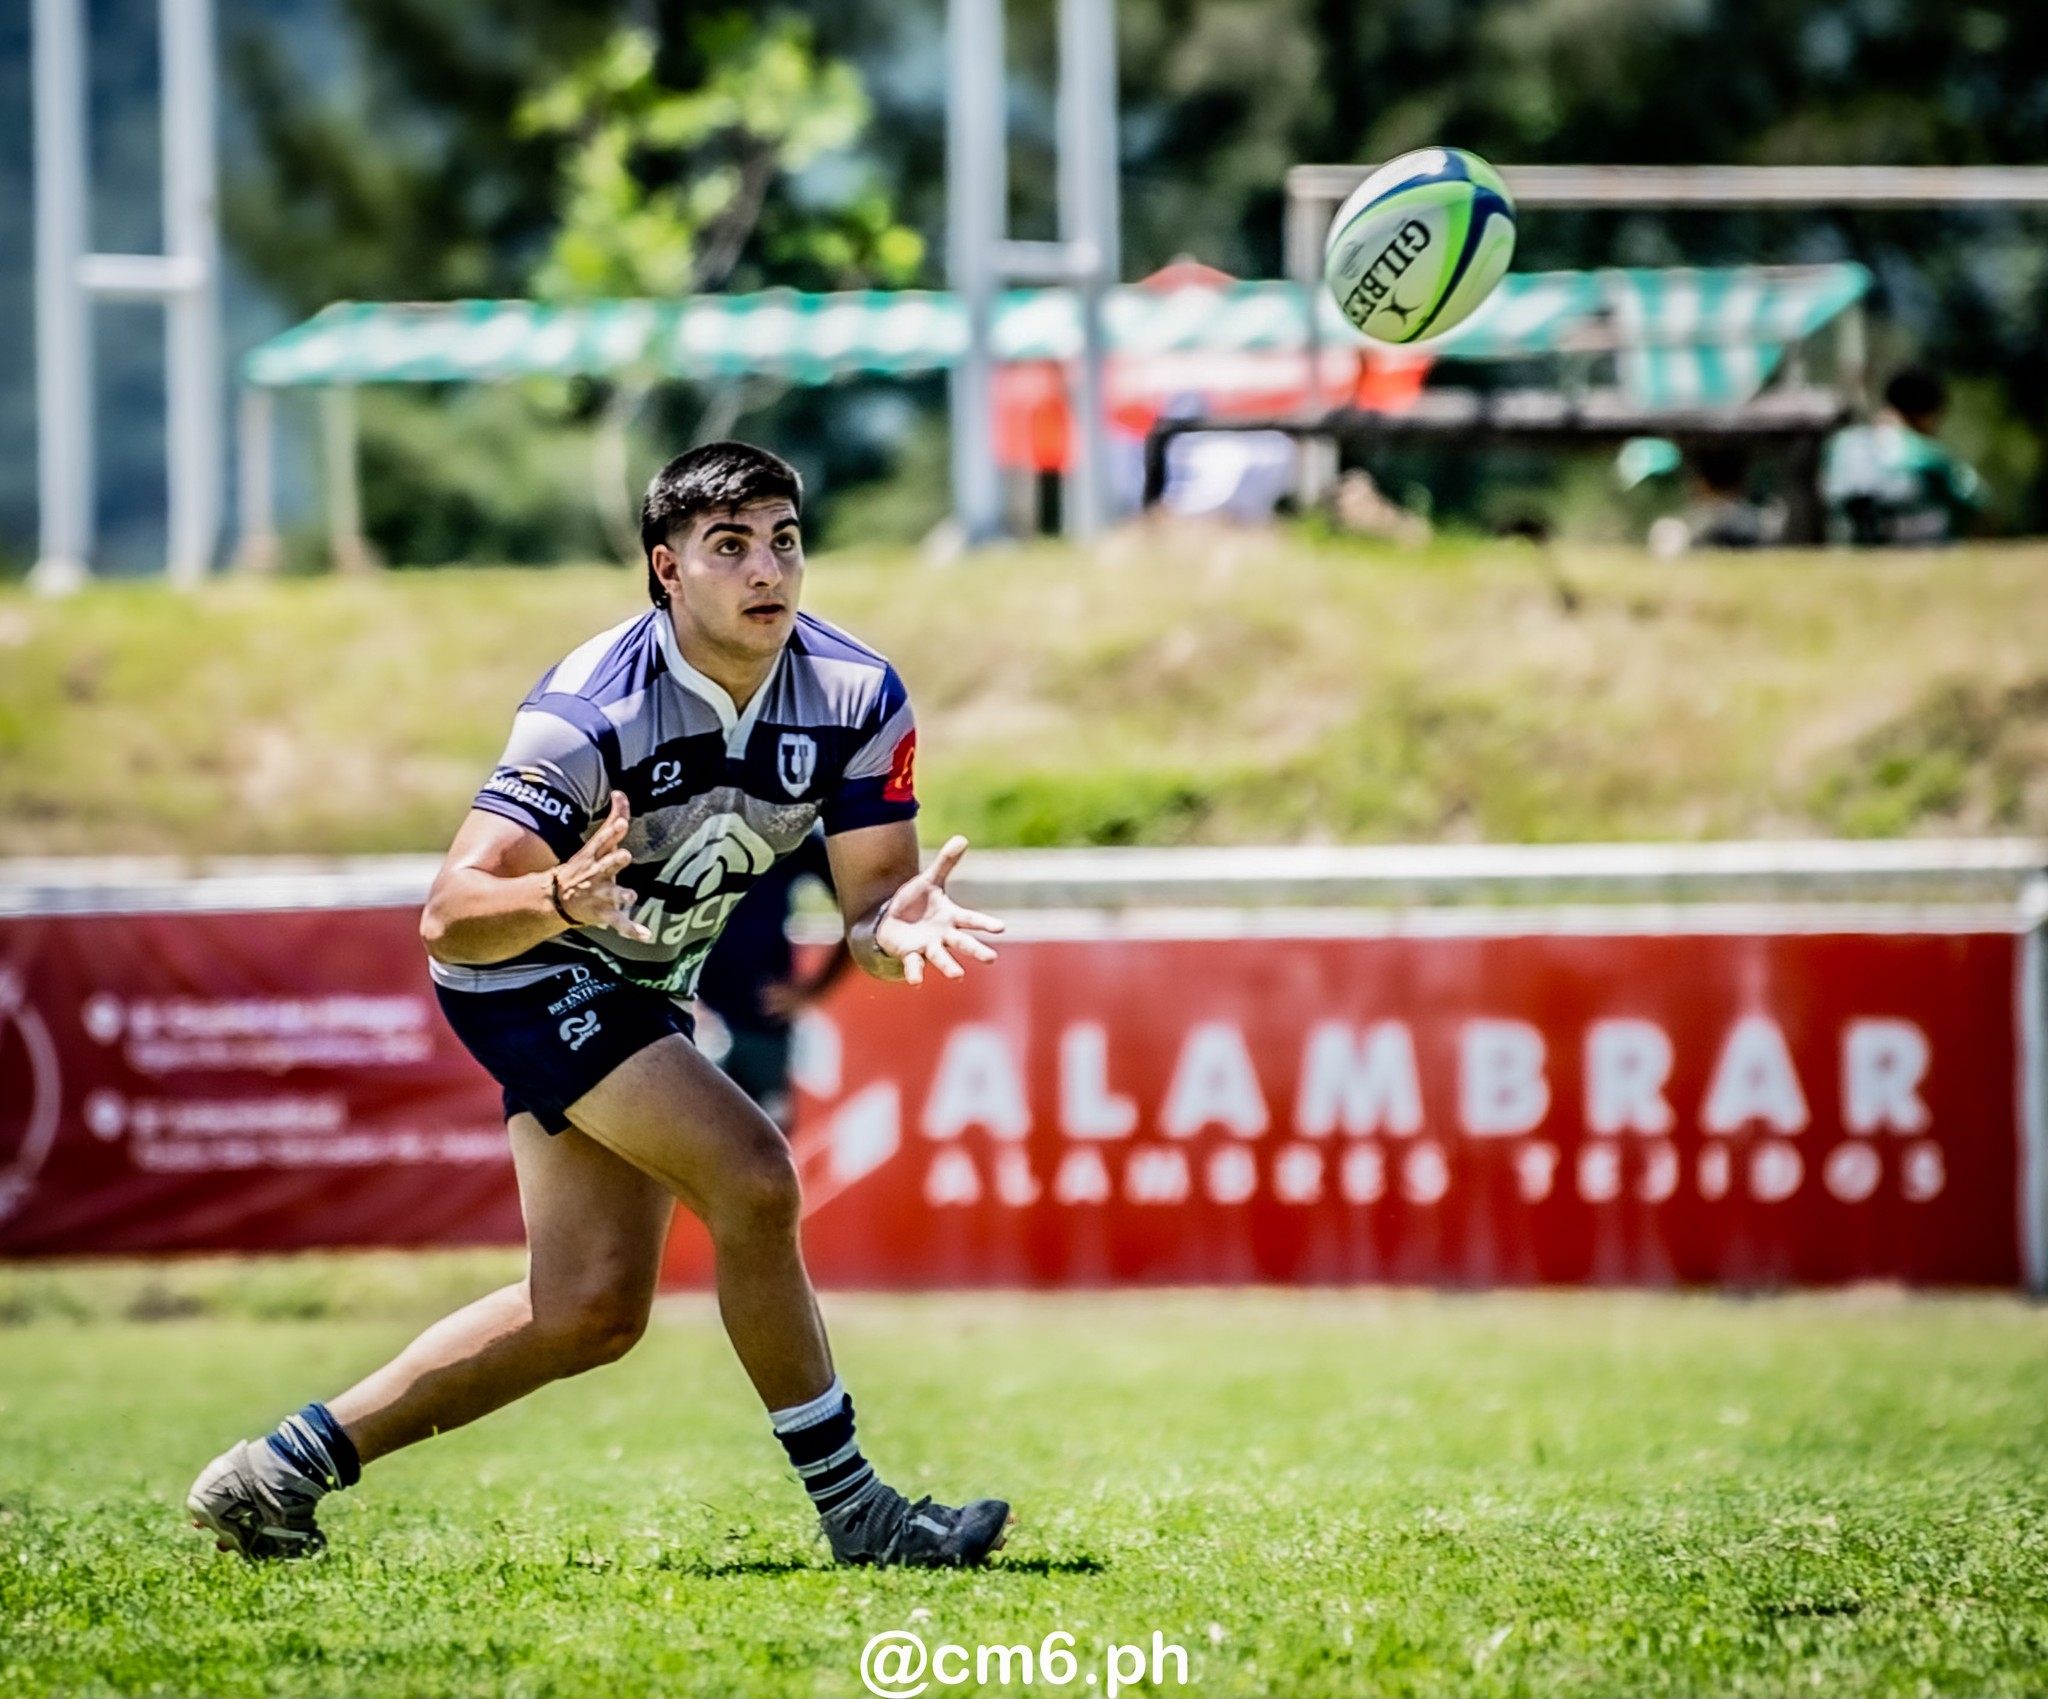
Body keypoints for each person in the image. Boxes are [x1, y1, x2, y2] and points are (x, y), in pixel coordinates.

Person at [186, 442, 1012, 1568]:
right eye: (729, 547)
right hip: (522, 970)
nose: (766, 568)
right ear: (665, 567)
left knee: (586, 1309)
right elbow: (449, 912)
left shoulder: (859, 695)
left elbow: (870, 906)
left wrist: (887, 933)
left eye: (783, 540)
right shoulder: (591, 709)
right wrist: (554, 895)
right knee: (754, 1176)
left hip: (636, 984)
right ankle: (859, 1515)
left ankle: (273, 1474)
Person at [693, 825, 850, 1131]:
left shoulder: (793, 827)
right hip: (689, 1017)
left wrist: (815, 989)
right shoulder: (685, 815)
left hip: (762, 1018)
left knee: (765, 1145)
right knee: (687, 1144)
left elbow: (864, 908)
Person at [1822, 366, 1985, 546]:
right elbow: (1979, 504)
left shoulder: (1842, 445)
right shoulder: (1927, 454)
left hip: (1848, 551)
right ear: (1927, 414)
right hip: (1919, 553)